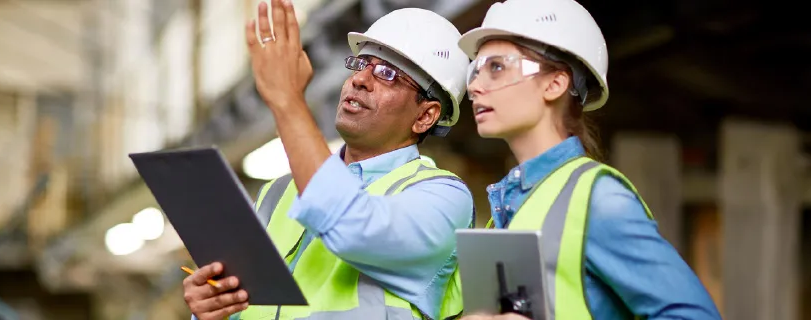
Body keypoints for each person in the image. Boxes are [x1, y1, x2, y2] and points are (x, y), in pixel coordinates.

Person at [181, 1, 474, 320]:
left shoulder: (442, 200)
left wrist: (287, 100)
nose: (360, 79)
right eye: (361, 64)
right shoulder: (277, 193)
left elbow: (353, 228)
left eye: (387, 73)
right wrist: (212, 310)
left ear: (425, 115)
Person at [455, 0, 722, 319]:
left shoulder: (599, 200)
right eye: (476, 70)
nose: (475, 85)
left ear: (555, 84)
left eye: (497, 67)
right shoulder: (512, 204)